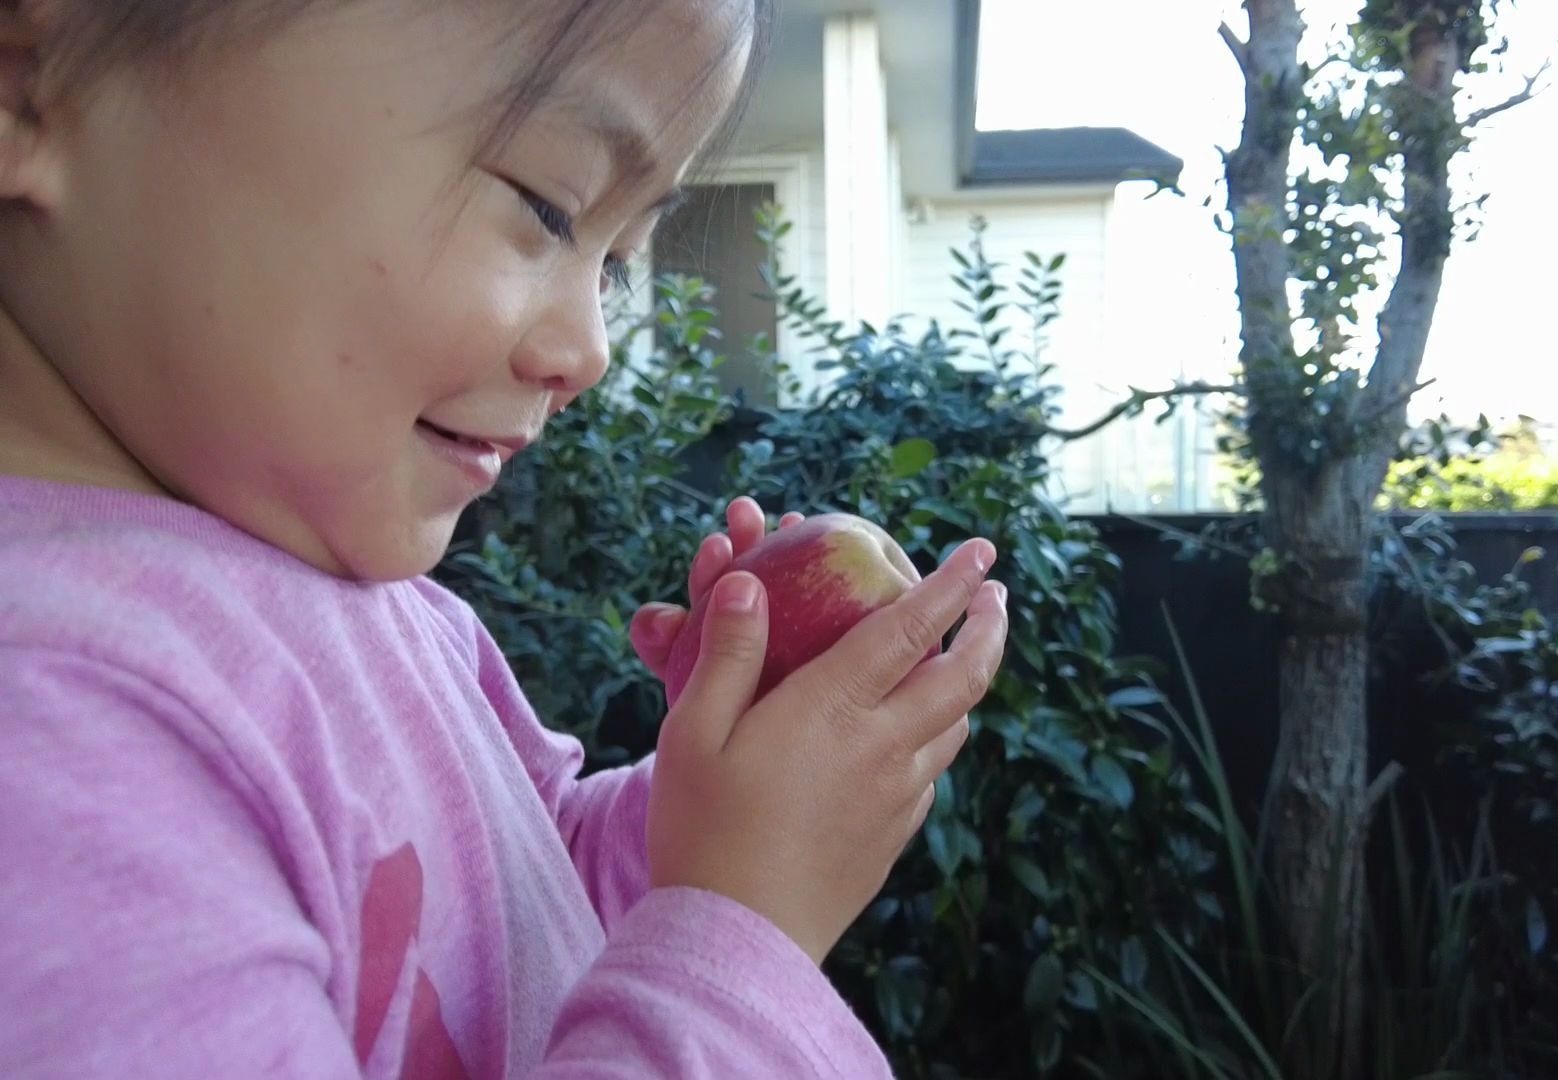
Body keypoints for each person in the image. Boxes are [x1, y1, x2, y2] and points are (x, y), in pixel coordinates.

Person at [0, 0, 1009, 1075]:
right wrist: (741, 929)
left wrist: (726, 804)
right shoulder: (51, 748)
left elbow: (527, 910)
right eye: (549, 206)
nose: (591, 350)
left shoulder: (386, 610)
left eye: (616, 264)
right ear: (29, 85)